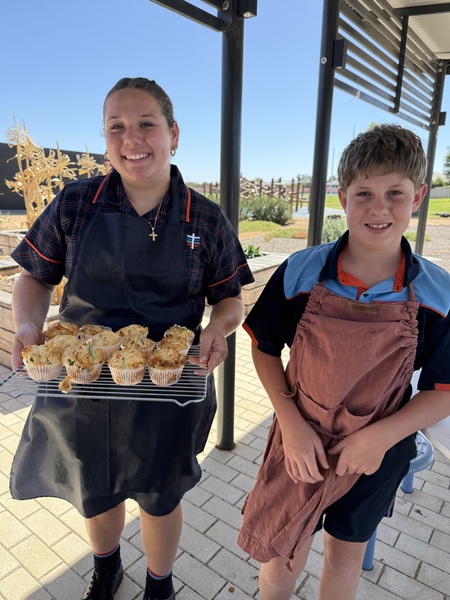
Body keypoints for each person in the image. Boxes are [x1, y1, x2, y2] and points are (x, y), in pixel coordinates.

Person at [10, 76, 254, 600]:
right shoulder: (77, 202)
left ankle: (159, 585)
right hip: (83, 381)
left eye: (147, 123)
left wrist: (217, 328)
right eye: (116, 126)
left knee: (160, 495)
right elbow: (34, 276)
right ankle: (106, 568)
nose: (132, 137)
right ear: (105, 137)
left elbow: (230, 298)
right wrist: (28, 325)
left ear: (174, 134)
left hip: (168, 385)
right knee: (94, 489)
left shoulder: (204, 217)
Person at [237, 124, 450, 600]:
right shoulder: (302, 271)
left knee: (345, 555)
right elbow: (264, 347)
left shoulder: (438, 294)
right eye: (365, 193)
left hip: (379, 451)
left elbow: (442, 393)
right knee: (281, 553)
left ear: (417, 197)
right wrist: (290, 425)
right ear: (342, 198)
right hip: (300, 441)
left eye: (395, 193)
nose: (379, 208)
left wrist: (381, 436)